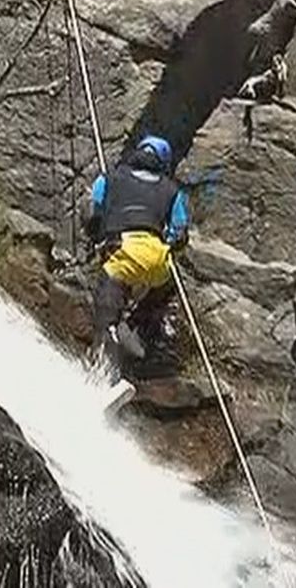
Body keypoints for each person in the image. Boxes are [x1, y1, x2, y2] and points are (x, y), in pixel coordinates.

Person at [84, 135, 190, 395]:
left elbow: (92, 213)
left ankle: (102, 379)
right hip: (157, 257)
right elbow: (180, 232)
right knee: (165, 286)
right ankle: (135, 326)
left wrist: (97, 240)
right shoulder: (173, 190)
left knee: (106, 318)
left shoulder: (109, 178)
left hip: (123, 251)